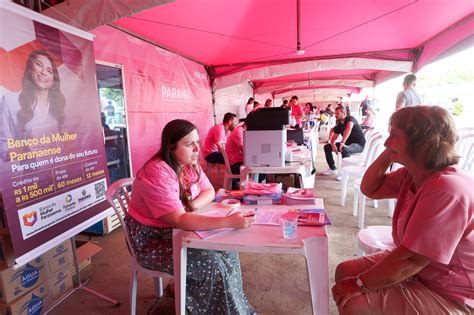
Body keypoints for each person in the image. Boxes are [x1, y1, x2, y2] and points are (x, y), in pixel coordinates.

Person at [332, 106, 473, 314]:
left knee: (355, 302)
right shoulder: (414, 174)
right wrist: (389, 154)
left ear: (422, 144)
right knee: (345, 271)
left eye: (394, 136)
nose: (387, 142)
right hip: (424, 270)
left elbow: (411, 261)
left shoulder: (447, 190)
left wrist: (359, 284)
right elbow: (370, 188)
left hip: (453, 293)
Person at [125, 119, 256, 314]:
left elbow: (210, 191)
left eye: (197, 142)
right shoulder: (158, 172)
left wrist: (191, 206)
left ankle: (235, 310)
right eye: (189, 144)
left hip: (172, 229)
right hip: (151, 240)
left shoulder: (188, 164)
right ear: (171, 147)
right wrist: (228, 221)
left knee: (227, 250)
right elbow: (179, 220)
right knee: (211, 264)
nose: (197, 149)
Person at [322, 106, 365, 176]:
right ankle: (332, 169)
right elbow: (333, 139)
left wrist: (342, 143)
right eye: (335, 113)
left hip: (358, 145)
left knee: (344, 149)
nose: (335, 115)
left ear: (344, 113)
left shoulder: (350, 119)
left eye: (337, 113)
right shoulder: (340, 125)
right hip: (347, 145)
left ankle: (344, 173)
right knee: (327, 147)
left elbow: (349, 128)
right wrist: (333, 145)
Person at [225, 121, 246, 189]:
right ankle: (252, 188)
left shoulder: (242, 130)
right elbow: (245, 150)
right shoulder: (238, 131)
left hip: (237, 160)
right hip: (235, 164)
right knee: (258, 168)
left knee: (260, 167)